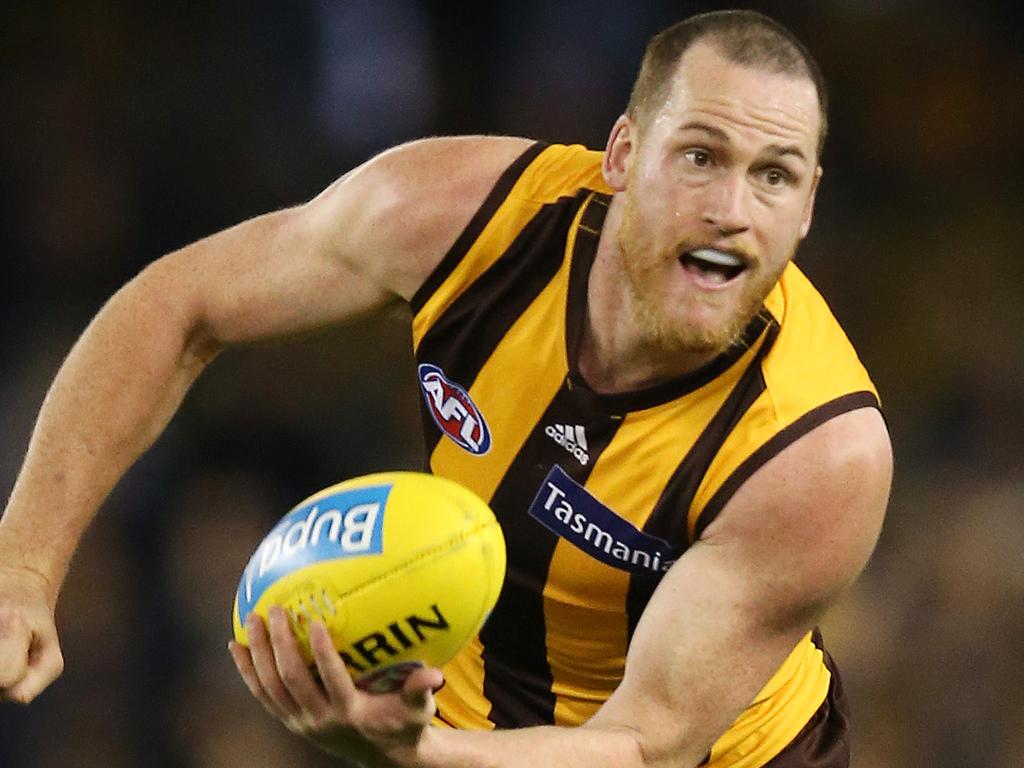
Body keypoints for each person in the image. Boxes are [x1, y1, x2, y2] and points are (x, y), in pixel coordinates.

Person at [0, 9, 892, 768]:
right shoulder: (460, 216)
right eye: (700, 156)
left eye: (772, 175)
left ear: (807, 205)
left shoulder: (819, 453)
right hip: (463, 725)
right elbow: (180, 305)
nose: (732, 209)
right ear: (622, 154)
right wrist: (23, 563)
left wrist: (415, 755)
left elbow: (643, 744)